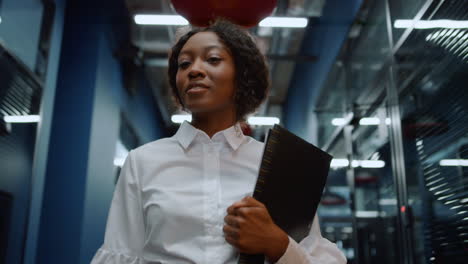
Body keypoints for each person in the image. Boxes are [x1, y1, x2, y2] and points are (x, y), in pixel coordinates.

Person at [91, 19, 346, 264]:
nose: (194, 70)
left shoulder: (282, 166)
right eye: (183, 64)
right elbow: (121, 254)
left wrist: (277, 243)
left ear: (242, 75)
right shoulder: (142, 161)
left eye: (213, 59)